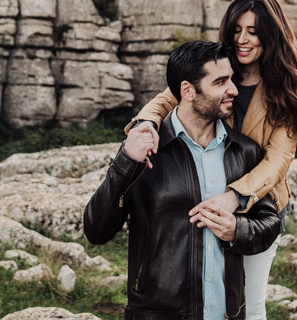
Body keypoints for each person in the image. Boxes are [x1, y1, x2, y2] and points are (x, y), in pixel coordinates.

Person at [126, 0, 297, 320]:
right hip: (204, 196)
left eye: (254, 32)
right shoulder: (217, 65)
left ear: (272, 35)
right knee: (205, 294)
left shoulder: (291, 86)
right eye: (237, 30)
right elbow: (167, 99)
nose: (243, 39)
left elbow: (278, 160)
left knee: (248, 302)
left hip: (258, 206)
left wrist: (235, 196)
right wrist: (145, 123)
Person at [84, 40, 280, 320]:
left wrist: (237, 230)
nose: (234, 90)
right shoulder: (145, 149)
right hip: (157, 314)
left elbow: (269, 223)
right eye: (221, 82)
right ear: (188, 90)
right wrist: (126, 161)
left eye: (232, 80)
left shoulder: (244, 151)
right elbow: (97, 230)